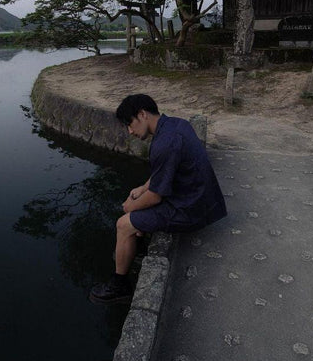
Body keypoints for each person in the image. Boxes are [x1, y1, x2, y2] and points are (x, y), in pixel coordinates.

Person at [89, 94, 227, 304]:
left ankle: (119, 285)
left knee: (123, 224)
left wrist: (129, 208)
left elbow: (154, 197)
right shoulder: (177, 125)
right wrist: (142, 187)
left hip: (190, 209)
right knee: (139, 200)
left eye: (130, 124)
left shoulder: (163, 144)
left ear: (142, 114)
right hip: (202, 199)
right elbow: (168, 170)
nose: (130, 131)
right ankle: (137, 243)